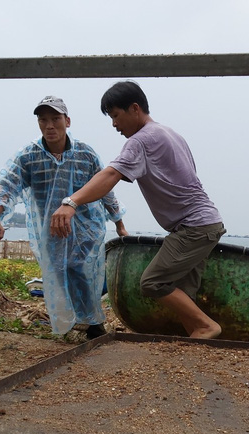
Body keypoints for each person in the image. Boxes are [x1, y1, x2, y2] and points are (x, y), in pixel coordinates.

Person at [50, 81, 225, 339]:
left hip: (194, 226)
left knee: (153, 283)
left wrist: (71, 202)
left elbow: (110, 174)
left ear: (134, 109)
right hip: (205, 223)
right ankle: (196, 344)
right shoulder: (170, 134)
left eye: (115, 116)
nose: (114, 124)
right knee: (184, 295)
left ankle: (208, 327)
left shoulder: (141, 140)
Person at [0, 95, 128, 339]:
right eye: (43, 120)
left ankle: (92, 324)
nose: (49, 126)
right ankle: (71, 323)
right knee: (58, 273)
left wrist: (119, 223)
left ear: (67, 121)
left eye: (55, 119)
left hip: (86, 228)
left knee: (82, 269)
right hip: (51, 230)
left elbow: (105, 190)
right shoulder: (29, 156)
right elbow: (5, 187)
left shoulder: (85, 155)